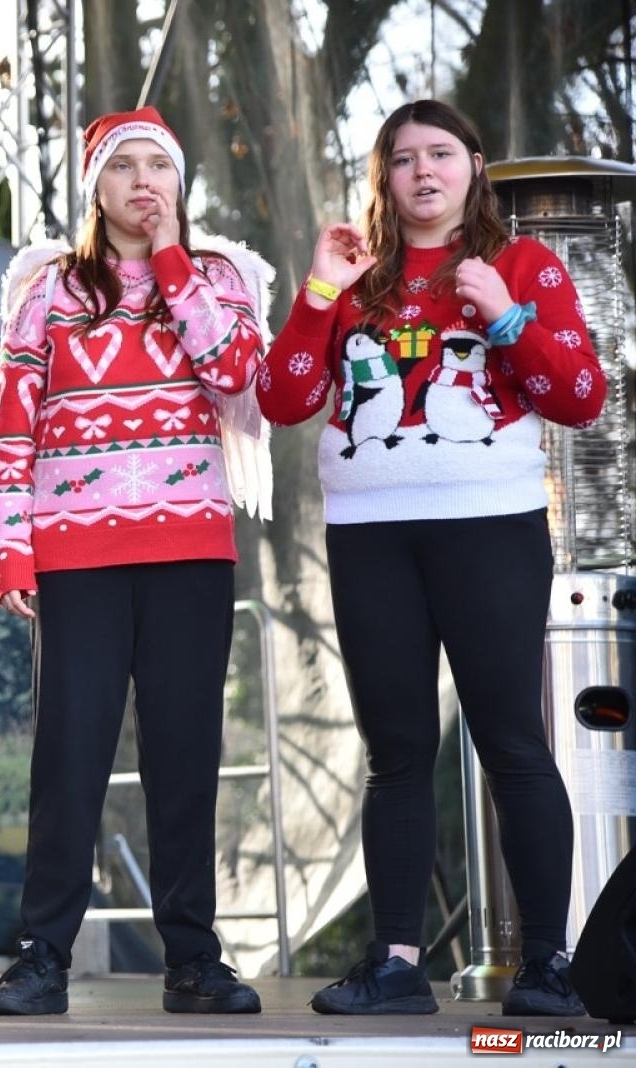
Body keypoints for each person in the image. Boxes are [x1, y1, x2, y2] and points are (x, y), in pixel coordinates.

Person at [257, 99, 603, 1017]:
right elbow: (283, 397)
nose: (422, 172)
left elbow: (579, 395)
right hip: (371, 533)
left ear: (473, 165)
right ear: (384, 178)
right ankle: (397, 965)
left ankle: (548, 965)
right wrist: (319, 291)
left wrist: (506, 316)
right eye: (402, 157)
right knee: (397, 753)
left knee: (513, 745)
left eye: (440, 153)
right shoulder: (356, 276)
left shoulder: (520, 264)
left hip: (489, 525)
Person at [0, 106, 270, 1017]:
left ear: (179, 187)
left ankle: (192, 959)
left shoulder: (220, 277)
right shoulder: (50, 290)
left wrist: (175, 262)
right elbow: (9, 422)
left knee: (188, 754)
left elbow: (234, 372)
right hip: (76, 551)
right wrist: (7, 543)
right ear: (95, 189)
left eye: (161, 168)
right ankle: (42, 957)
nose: (145, 182)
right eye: (124, 168)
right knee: (70, 755)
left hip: (189, 546)